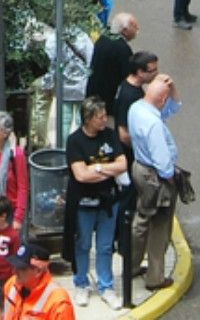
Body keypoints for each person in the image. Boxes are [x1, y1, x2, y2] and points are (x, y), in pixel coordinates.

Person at [63, 97, 127, 310]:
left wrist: (97, 168)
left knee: (106, 246)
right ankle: (81, 283)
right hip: (83, 203)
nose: (104, 120)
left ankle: (106, 286)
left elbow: (122, 164)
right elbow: (80, 175)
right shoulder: (75, 140)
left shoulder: (109, 135)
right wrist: (106, 169)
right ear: (88, 118)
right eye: (99, 117)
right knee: (82, 244)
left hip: (109, 201)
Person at [129, 73, 182, 290]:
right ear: (161, 100)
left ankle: (131, 265)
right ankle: (155, 277)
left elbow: (172, 108)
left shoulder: (137, 108)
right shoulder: (154, 125)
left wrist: (172, 88)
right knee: (159, 226)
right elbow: (163, 164)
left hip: (139, 168)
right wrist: (172, 179)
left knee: (141, 218)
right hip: (155, 176)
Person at [2, 243, 76, 320]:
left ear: (38, 271)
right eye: (15, 266)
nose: (14, 272)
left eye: (22, 268)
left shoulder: (58, 303)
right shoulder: (11, 285)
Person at [85, 12, 138, 109]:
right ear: (125, 30)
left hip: (93, 94)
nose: (137, 30)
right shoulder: (122, 49)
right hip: (108, 99)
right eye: (135, 27)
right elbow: (128, 75)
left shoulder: (103, 39)